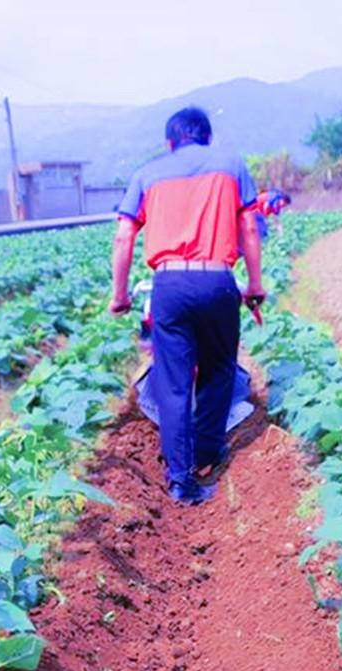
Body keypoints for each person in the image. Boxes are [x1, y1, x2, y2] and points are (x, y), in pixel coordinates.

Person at [109, 106, 265, 506]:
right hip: (217, 280)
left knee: (174, 383)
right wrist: (255, 284)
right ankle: (207, 454)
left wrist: (120, 295)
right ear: (207, 138)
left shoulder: (147, 174)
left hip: (169, 283)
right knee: (218, 372)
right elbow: (248, 225)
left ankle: (180, 480)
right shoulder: (231, 166)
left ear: (170, 142)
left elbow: (124, 235)